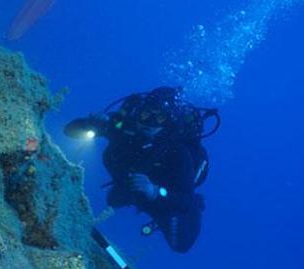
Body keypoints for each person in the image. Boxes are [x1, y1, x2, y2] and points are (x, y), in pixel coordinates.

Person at [64, 87, 220, 253]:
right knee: (115, 199)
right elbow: (69, 130)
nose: (150, 123)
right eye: (146, 114)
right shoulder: (122, 126)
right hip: (130, 181)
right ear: (137, 112)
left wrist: (155, 191)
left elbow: (185, 200)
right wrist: (91, 124)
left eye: (160, 117)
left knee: (181, 244)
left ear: (168, 122)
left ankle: (193, 206)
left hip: (162, 194)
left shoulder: (178, 153)